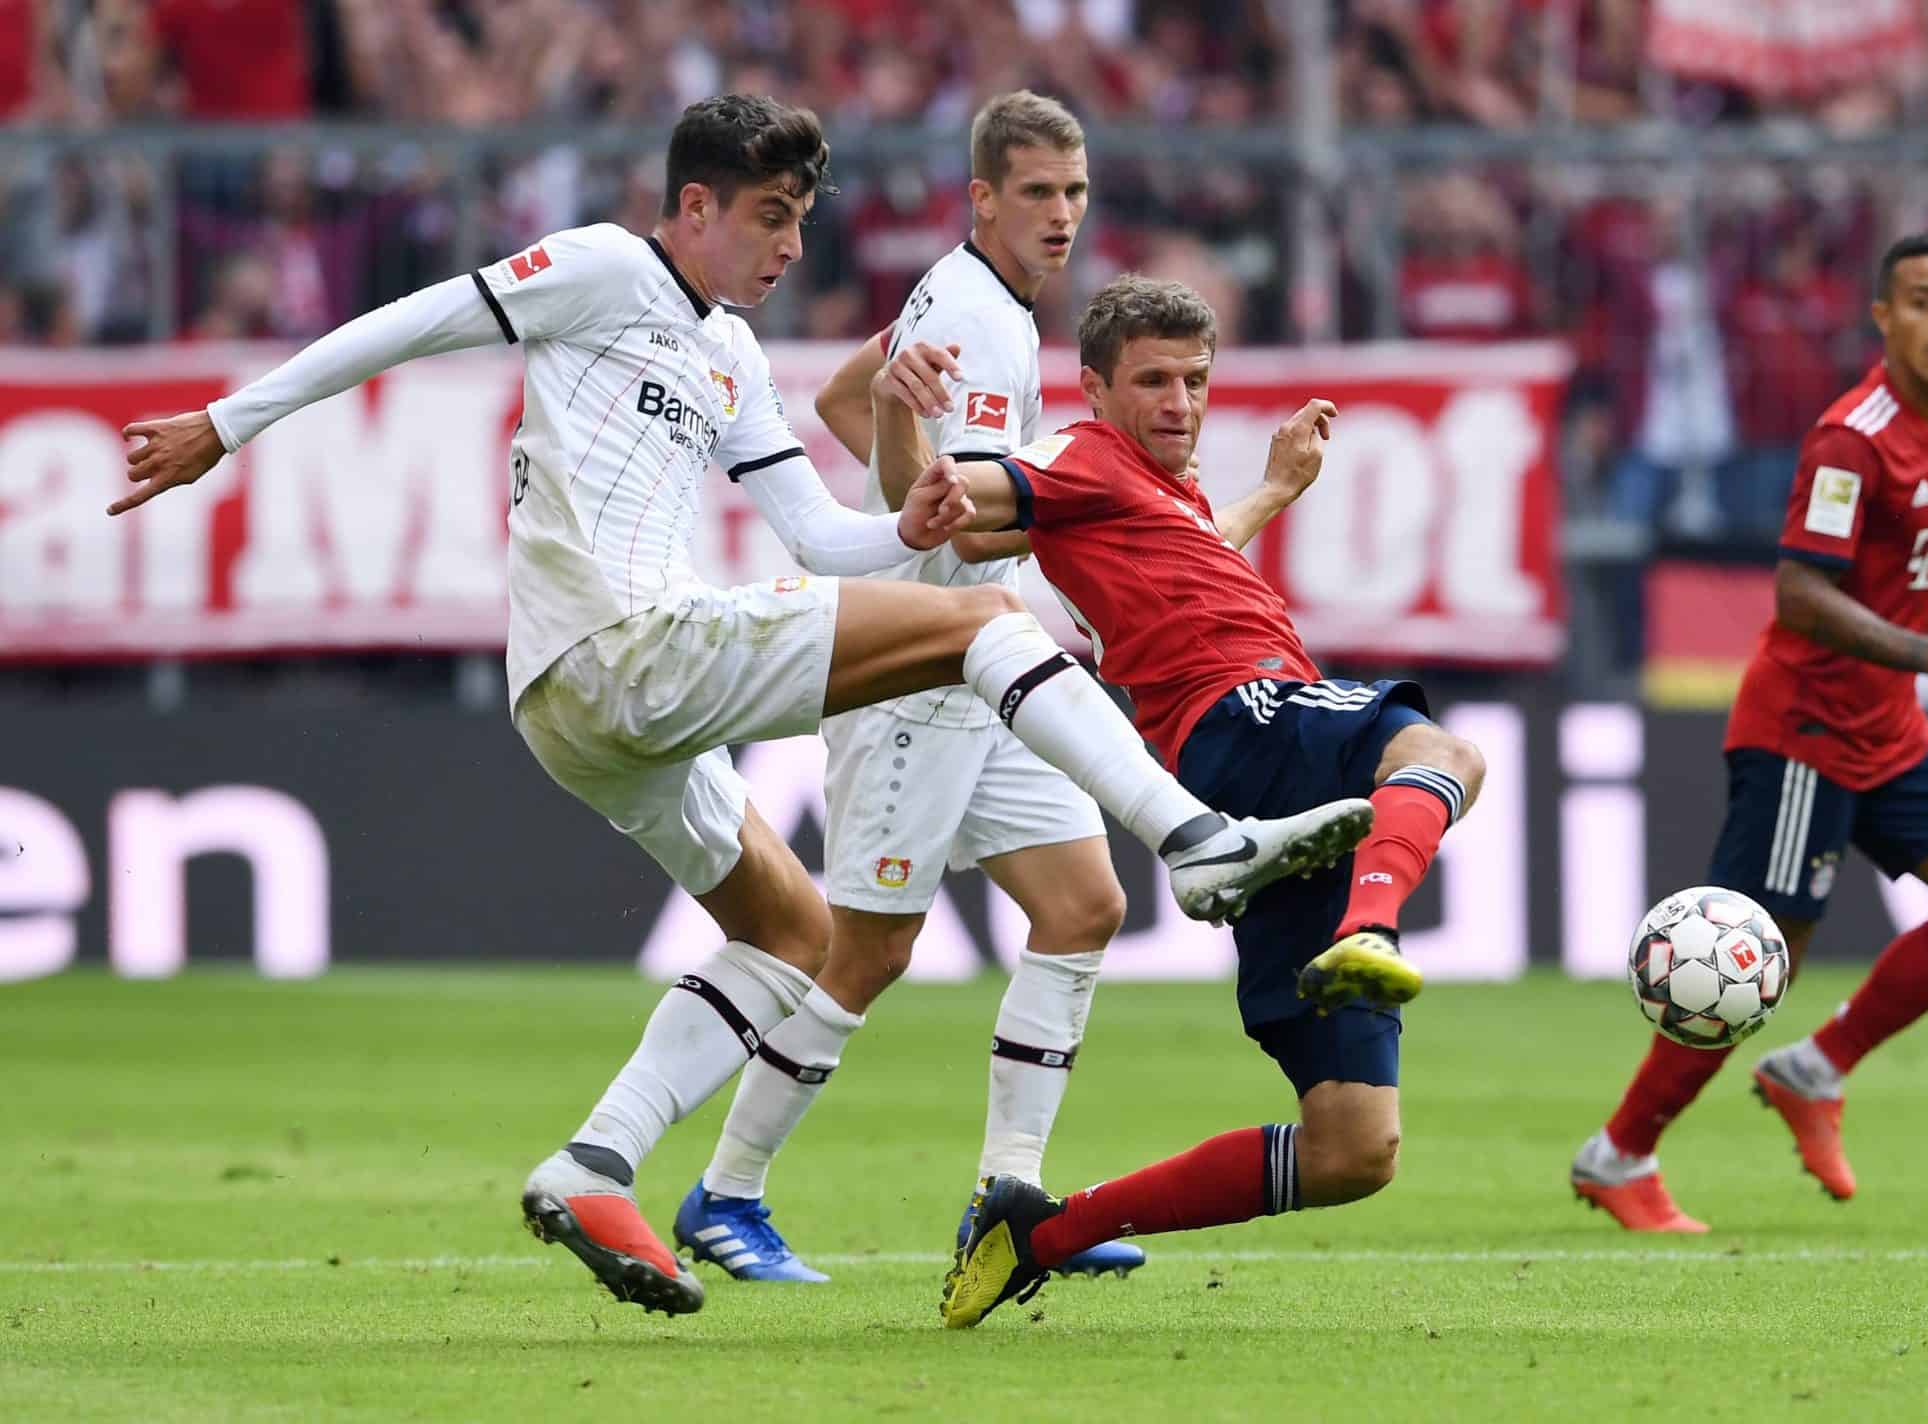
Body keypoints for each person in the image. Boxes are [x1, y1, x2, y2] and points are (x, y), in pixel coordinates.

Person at [109, 95, 1379, 1317]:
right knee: (984, 627)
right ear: (695, 203)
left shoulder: (730, 354)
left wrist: (908, 521)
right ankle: (1199, 841)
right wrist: (230, 421)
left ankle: (597, 1164)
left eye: (801, 224)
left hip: (592, 714)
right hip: (621, 644)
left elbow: (826, 540)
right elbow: (417, 319)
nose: (786, 247)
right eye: (768, 216)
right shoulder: (606, 266)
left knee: (790, 928)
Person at [865, 274, 1488, 1329]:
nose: (1178, 401)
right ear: (1094, 388)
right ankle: (1372, 925)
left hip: (1246, 763)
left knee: (1351, 1148)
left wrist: (1274, 492)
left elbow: (1182, 544)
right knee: (1444, 753)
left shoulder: (1164, 495)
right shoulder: (1076, 456)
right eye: (1151, 380)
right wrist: (896, 416)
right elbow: (947, 512)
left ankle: (1037, 1231)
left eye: (1194, 380)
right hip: (1245, 710)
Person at [674, 92, 1145, 1284]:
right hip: (916, 678)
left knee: (1083, 904)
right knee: (864, 953)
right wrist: (1081, 522)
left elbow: (858, 401)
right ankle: (724, 1193)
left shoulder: (969, 301)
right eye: (1035, 192)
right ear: (982, 195)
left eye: (1073, 192)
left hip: (975, 667)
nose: (1059, 215)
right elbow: (971, 525)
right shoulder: (979, 324)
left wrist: (909, 470)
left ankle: (1011, 1197)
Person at [1573, 233, 1928, 1233]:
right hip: (1805, 733)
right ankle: (1617, 1154)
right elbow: (1798, 593)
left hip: (1889, 725)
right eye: (1922, 301)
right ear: (1881, 316)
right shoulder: (1849, 438)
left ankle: (1814, 1068)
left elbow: (1890, 565)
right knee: (1747, 965)